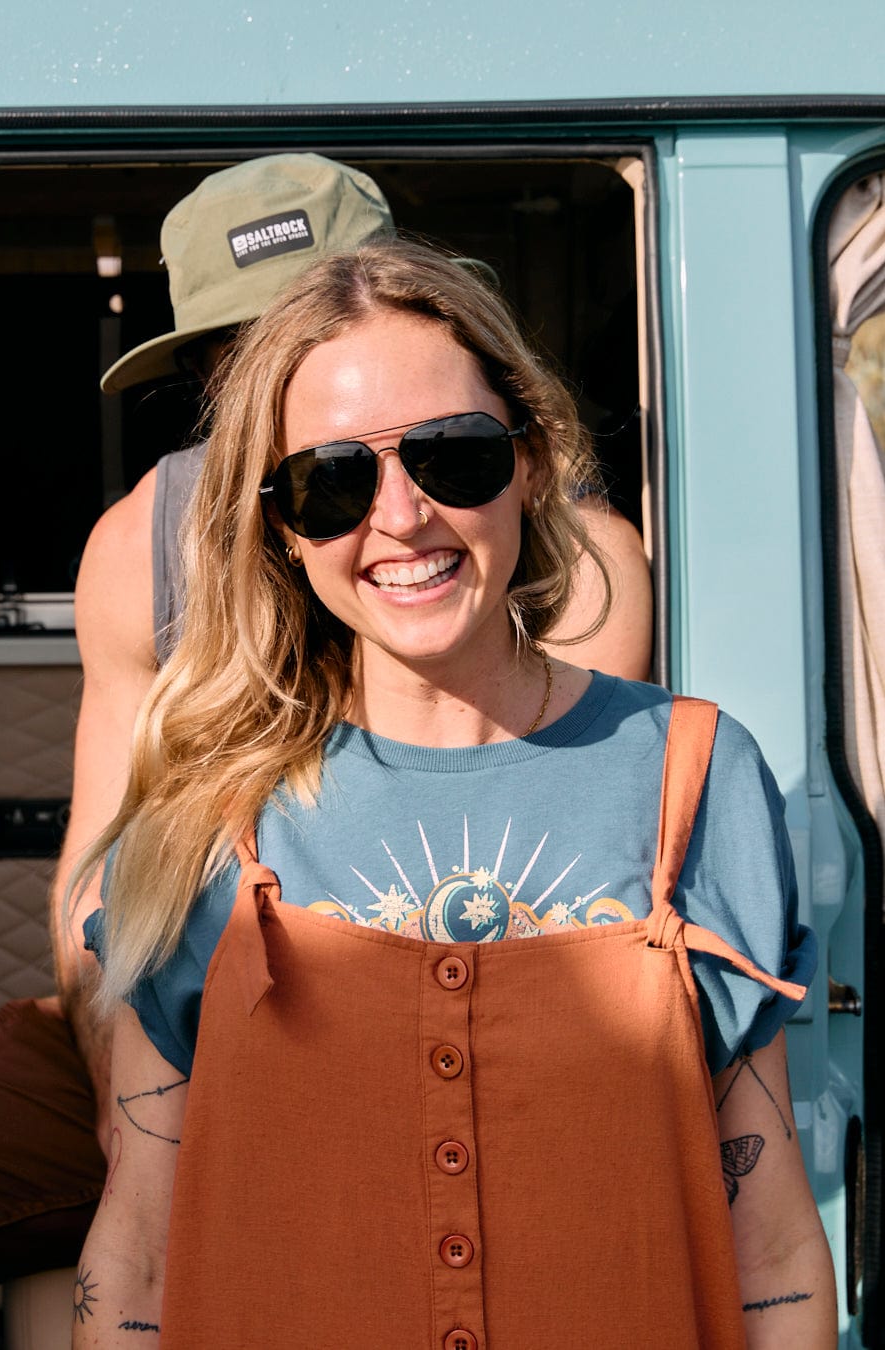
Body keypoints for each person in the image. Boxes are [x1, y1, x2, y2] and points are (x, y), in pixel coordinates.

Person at [0, 155, 649, 1347]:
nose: (269, 385)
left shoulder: (553, 552)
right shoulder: (141, 541)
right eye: (233, 355)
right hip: (160, 1013)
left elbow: (547, 901)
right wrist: (133, 1110)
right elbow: (98, 876)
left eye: (303, 337)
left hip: (417, 1028)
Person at [73, 237, 834, 1347]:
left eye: (454, 456)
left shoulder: (694, 777)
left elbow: (769, 1242)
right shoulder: (203, 821)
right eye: (333, 482)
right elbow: (135, 1255)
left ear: (531, 459)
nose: (401, 517)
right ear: (282, 530)